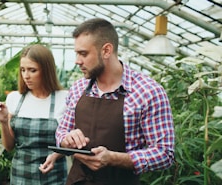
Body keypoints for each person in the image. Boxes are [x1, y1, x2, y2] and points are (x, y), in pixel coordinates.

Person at [55, 18, 175, 185]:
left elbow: (164, 154)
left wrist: (113, 158)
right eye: (77, 53)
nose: (77, 61)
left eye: (83, 53)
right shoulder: (78, 88)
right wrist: (66, 139)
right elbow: (61, 132)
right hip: (78, 180)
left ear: (106, 50)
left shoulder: (148, 92)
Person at [0, 44, 68, 185]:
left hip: (54, 175)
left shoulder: (64, 98)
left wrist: (56, 155)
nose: (26, 76)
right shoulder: (14, 98)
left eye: (32, 70)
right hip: (21, 175)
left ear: (47, 70)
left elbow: (70, 145)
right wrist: (3, 121)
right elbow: (9, 146)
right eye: (22, 70)